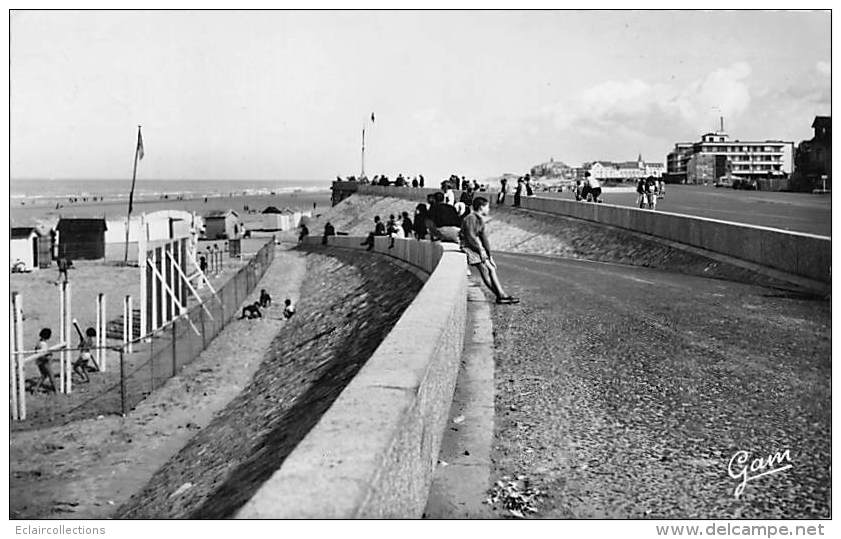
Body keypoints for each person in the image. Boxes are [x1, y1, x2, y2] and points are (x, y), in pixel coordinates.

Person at [460, 197, 519, 305]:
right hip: (469, 247)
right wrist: (480, 251)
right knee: (485, 270)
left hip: (475, 248)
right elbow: (471, 237)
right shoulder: (471, 218)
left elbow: (484, 238)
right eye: (487, 207)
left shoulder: (479, 219)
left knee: (491, 268)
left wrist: (489, 254)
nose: (488, 210)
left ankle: (501, 295)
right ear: (481, 207)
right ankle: (500, 295)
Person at [35, 328, 57, 393]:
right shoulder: (43, 344)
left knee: (43, 376)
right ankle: (56, 391)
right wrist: (49, 354)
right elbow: (44, 354)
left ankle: (35, 390)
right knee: (51, 376)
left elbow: (36, 351)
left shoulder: (38, 342)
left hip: (39, 361)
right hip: (45, 362)